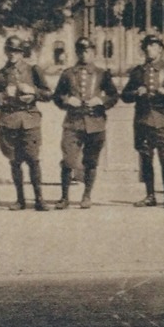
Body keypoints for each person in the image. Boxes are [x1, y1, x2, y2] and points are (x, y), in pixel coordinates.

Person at [120, 33, 164, 209]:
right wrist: (136, 92)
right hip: (143, 121)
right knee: (146, 159)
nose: (150, 49)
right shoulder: (137, 72)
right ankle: (150, 195)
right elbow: (124, 96)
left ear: (160, 49)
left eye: (154, 46)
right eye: (147, 46)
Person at [52, 35, 119, 209]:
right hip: (73, 123)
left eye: (88, 50)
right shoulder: (67, 74)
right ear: (76, 53)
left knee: (91, 161)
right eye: (81, 51)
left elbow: (113, 95)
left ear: (93, 52)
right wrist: (67, 101)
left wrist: (101, 101)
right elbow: (57, 96)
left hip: (95, 123)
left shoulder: (101, 74)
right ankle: (64, 197)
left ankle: (87, 196)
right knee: (68, 160)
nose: (84, 54)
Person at [0, 35, 52, 211]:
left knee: (33, 160)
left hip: (30, 120)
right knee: (15, 162)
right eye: (9, 50)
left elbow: (48, 94)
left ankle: (39, 199)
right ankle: (20, 199)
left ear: (22, 53)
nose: (12, 55)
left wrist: (33, 91)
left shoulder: (33, 71)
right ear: (5, 52)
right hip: (9, 122)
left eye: (16, 51)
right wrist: (3, 96)